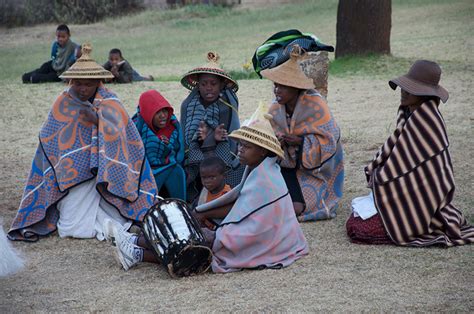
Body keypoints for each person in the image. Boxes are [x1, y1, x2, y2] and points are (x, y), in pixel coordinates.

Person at [8, 44, 159, 242]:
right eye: (78, 83)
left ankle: (115, 225)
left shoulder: (111, 101)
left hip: (105, 176)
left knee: (92, 221)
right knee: (70, 227)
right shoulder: (63, 102)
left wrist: (98, 120)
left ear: (98, 82)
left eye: (88, 84)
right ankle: (111, 226)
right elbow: (48, 137)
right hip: (73, 178)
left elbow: (127, 138)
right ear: (71, 81)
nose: (82, 89)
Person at [346, 60, 474, 247]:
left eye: (411, 89)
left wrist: (379, 177)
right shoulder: (410, 114)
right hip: (406, 194)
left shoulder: (426, 120)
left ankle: (414, 221)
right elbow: (396, 158)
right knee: (354, 223)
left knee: (359, 230)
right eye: (403, 87)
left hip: (422, 200)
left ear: (425, 94)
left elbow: (400, 170)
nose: (403, 92)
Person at [195, 103, 309, 273]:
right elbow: (241, 207)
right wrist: (203, 213)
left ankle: (142, 251)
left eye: (246, 147)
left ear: (263, 151)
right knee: (199, 233)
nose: (240, 150)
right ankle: (141, 246)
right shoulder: (258, 168)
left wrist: (209, 221)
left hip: (269, 238)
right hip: (266, 233)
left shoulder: (265, 179)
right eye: (240, 145)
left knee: (205, 239)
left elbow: (250, 220)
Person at [261, 45, 344, 222]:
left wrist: (300, 141)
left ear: (295, 87)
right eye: (275, 86)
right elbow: (268, 136)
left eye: (282, 87)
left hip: (316, 171)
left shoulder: (316, 105)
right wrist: (278, 141)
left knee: (296, 209)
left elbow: (330, 141)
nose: (276, 91)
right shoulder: (275, 107)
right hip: (286, 166)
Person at [180, 52, 244, 202]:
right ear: (197, 85)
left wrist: (218, 138)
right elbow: (186, 140)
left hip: (223, 153)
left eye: (213, 84)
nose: (208, 88)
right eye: (203, 84)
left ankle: (226, 197)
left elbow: (232, 137)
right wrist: (200, 139)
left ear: (222, 85)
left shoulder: (228, 105)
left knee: (242, 165)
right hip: (196, 156)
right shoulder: (188, 105)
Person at [132, 89, 186, 200]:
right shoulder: (136, 127)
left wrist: (167, 147)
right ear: (148, 112)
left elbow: (177, 154)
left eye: (165, 111)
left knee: (177, 172)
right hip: (143, 168)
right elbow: (131, 152)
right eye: (157, 112)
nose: (163, 116)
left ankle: (181, 206)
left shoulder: (172, 126)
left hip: (169, 165)